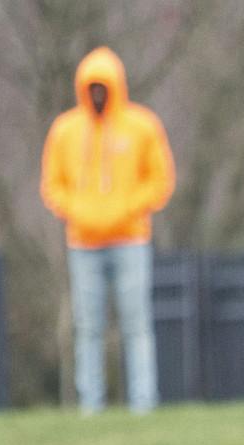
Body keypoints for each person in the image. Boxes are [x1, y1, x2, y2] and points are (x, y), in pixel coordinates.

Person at [38, 46, 175, 415]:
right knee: (88, 327)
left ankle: (144, 403)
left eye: (104, 87)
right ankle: (90, 406)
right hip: (83, 243)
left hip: (130, 239)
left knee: (136, 323)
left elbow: (160, 180)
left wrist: (124, 210)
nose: (98, 94)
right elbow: (53, 184)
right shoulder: (65, 130)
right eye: (92, 87)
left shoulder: (142, 126)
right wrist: (80, 212)